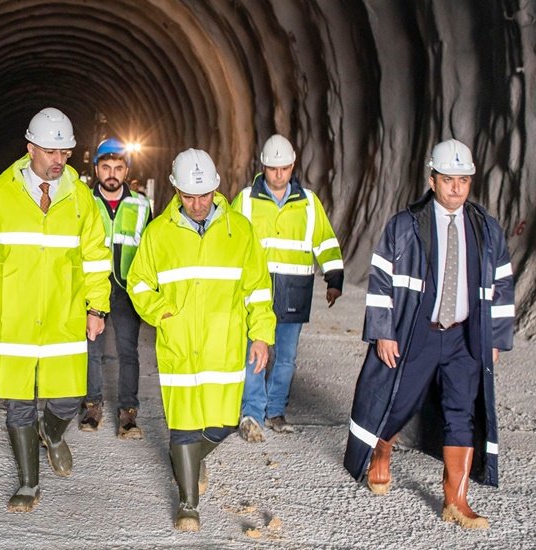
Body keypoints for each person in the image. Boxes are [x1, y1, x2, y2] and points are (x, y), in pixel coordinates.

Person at [343, 139, 515, 530]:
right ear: (432, 180)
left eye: (464, 180)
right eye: (448, 179)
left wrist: (495, 338)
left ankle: (456, 500)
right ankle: (381, 449)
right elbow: (381, 280)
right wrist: (384, 332)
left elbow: (503, 284)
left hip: (464, 337)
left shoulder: (486, 229)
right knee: (398, 400)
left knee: (462, 412)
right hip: (417, 332)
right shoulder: (405, 226)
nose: (456, 187)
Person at [0, 107, 111, 513]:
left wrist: (98, 307)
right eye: (50, 151)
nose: (59, 160)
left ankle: (53, 434)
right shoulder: (0, 193)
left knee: (69, 398)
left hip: (64, 314)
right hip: (15, 315)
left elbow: (96, 257)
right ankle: (28, 483)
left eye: (65, 152)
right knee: (18, 401)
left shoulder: (81, 199)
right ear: (30, 149)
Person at [127, 149, 275, 532]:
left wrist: (260, 335)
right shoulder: (159, 234)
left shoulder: (239, 231)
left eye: (204, 194)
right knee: (184, 425)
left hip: (224, 345)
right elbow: (139, 283)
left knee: (223, 424)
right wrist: (164, 315)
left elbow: (258, 288)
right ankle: (188, 503)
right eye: (189, 195)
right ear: (176, 190)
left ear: (216, 188)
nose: (197, 203)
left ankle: (189, 459)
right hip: (179, 346)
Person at [232, 134, 345, 441]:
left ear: (293, 166)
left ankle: (275, 411)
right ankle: (251, 413)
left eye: (284, 168)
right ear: (263, 167)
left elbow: (325, 240)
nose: (278, 174)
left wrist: (334, 278)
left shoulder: (309, 203)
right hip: (257, 289)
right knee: (255, 351)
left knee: (285, 355)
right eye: (272, 168)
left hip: (295, 289)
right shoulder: (245, 200)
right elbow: (229, 242)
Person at [79, 138, 152, 438]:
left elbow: (149, 248)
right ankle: (92, 406)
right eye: (106, 167)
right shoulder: (83, 202)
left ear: (126, 171)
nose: (111, 173)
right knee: (91, 349)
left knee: (128, 352)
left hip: (125, 289)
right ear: (96, 169)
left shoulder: (141, 205)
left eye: (118, 168)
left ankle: (128, 414)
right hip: (92, 287)